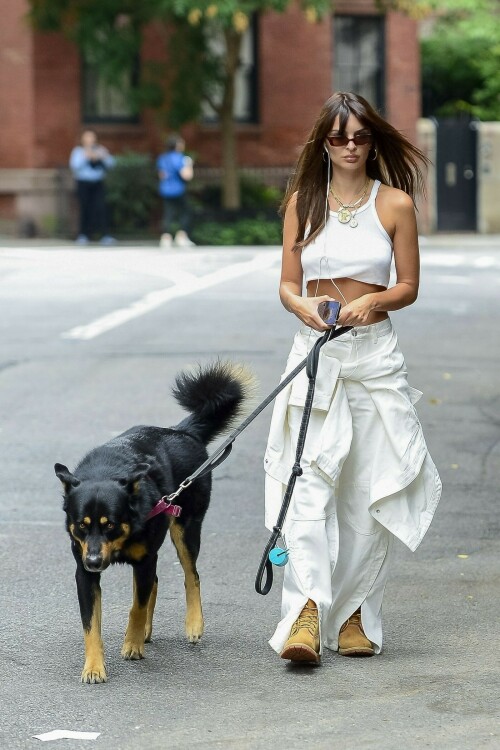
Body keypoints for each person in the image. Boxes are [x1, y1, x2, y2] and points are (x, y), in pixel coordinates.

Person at [264, 92, 442, 665]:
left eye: (359, 137)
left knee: (368, 489)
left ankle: (357, 613)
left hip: (373, 355)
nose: (348, 147)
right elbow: (288, 284)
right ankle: (307, 615)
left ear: (373, 142)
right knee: (308, 482)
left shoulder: (394, 204)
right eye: (337, 137)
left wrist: (376, 304)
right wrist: (301, 308)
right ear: (323, 142)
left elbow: (409, 286)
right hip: (314, 351)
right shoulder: (302, 202)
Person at [69, 130, 116, 245]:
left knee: (101, 208)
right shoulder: (78, 151)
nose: (90, 140)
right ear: (83, 139)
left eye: (92, 137)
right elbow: (74, 166)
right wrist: (86, 156)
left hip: (98, 183)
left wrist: (101, 157)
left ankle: (105, 235)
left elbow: (112, 163)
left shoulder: (100, 150)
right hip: (83, 183)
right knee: (84, 208)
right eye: (87, 138)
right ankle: (84, 235)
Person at [157, 134, 195, 248]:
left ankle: (166, 237)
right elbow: (187, 175)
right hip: (178, 189)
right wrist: (189, 165)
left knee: (168, 213)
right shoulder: (180, 158)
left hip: (165, 189)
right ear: (177, 145)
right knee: (185, 212)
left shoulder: (162, 158)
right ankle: (181, 236)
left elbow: (161, 175)